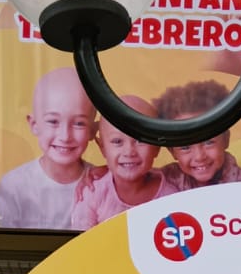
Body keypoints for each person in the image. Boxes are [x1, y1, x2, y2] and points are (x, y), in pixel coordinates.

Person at [0, 67, 96, 230]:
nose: (65, 136)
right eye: (53, 121)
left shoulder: (102, 184)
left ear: (92, 130)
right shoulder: (14, 186)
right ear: (34, 124)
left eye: (79, 123)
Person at [72, 97, 177, 230]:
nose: (129, 152)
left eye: (140, 140)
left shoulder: (171, 197)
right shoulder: (92, 193)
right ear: (102, 148)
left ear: (157, 147)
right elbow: (80, 240)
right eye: (117, 141)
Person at [154, 80, 241, 189]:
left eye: (209, 142)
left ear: (226, 139)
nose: (199, 157)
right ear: (172, 151)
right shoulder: (164, 181)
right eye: (185, 147)